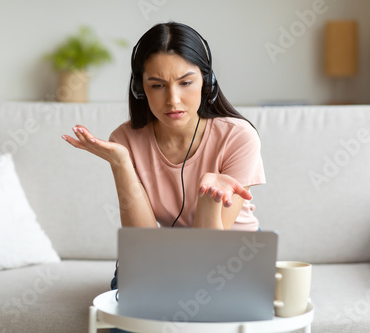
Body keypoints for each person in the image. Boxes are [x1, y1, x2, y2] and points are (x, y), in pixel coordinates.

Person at [62, 21, 265, 332]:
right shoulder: (126, 139)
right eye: (157, 85)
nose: (172, 100)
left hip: (227, 259)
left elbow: (209, 259)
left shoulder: (238, 137)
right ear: (139, 87)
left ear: (206, 82)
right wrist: (121, 163)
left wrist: (209, 198)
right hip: (165, 262)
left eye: (186, 82)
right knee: (129, 324)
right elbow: (143, 243)